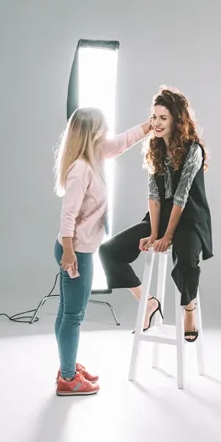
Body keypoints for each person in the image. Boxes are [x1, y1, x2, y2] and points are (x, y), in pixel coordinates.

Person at [98, 87, 212, 341]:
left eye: (163, 118)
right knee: (110, 251)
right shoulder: (156, 148)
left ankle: (189, 308)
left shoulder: (193, 150)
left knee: (186, 261)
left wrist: (167, 236)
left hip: (189, 219)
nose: (157, 123)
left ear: (177, 120)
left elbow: (181, 197)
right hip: (160, 219)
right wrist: (153, 232)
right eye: (154, 117)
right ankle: (148, 304)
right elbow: (154, 196)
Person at [53, 107, 152, 395]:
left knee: (67, 311)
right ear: (92, 134)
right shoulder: (80, 169)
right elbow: (67, 217)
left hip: (80, 249)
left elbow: (122, 142)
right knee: (73, 315)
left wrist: (149, 125)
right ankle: (68, 379)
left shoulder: (94, 155)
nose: (107, 133)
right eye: (103, 128)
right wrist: (70, 254)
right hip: (76, 252)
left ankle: (66, 368)